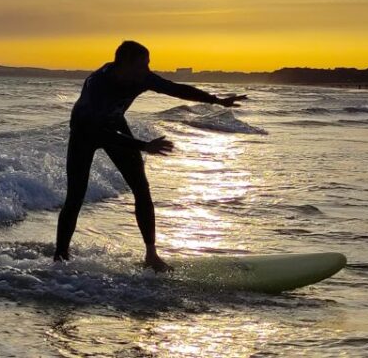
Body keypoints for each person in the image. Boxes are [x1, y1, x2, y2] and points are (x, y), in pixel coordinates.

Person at [54, 40, 247, 272]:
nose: (147, 69)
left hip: (114, 125)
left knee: (142, 190)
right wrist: (143, 146)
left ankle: (151, 255)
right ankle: (60, 256)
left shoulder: (141, 78)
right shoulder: (98, 85)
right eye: (143, 64)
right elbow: (98, 133)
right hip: (85, 132)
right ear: (125, 63)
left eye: (148, 64)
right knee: (75, 196)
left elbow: (176, 89)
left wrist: (217, 100)